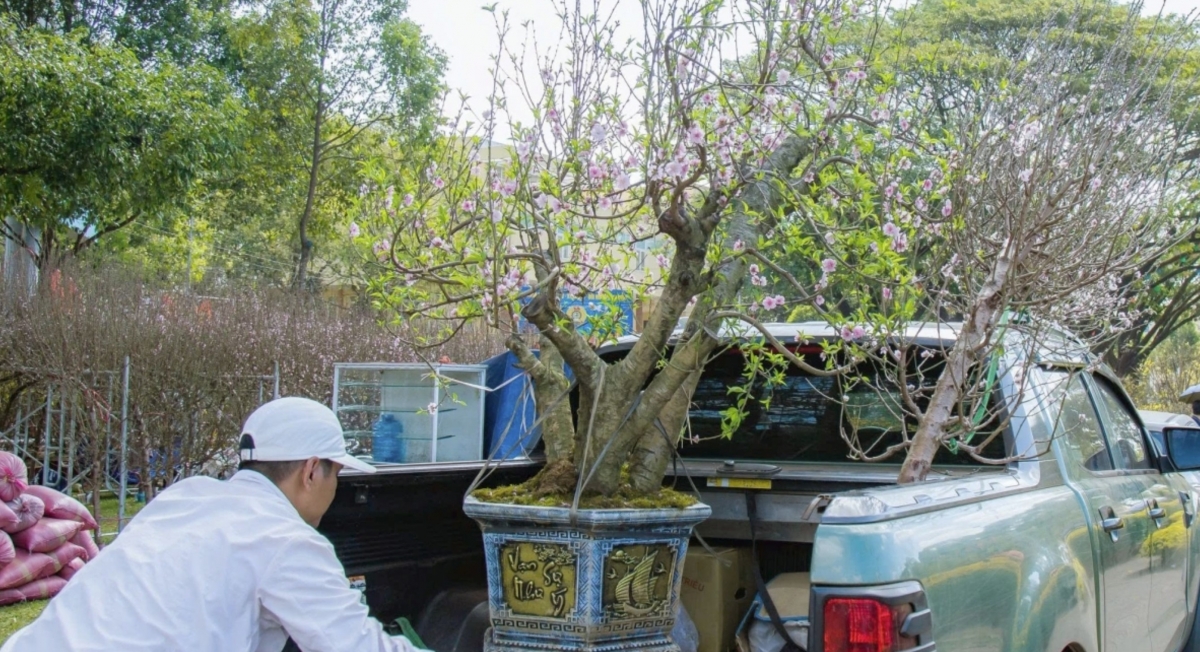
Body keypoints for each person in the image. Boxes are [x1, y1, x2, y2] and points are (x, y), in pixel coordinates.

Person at [1, 397, 423, 652]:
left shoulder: (186, 496)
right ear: (313, 470)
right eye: (337, 474)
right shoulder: (285, 540)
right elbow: (355, 646)